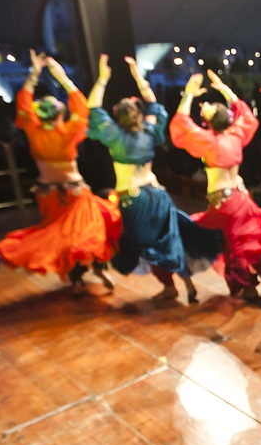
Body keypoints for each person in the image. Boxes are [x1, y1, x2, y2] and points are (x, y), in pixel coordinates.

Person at [87, 55, 220, 302]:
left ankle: (169, 286)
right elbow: (153, 103)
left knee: (145, 246)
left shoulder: (115, 137)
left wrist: (103, 79)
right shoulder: (148, 131)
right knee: (170, 240)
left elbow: (93, 109)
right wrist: (138, 75)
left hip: (134, 200)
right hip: (158, 195)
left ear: (118, 118)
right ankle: (186, 283)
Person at [0, 51, 121, 293]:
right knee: (91, 233)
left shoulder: (33, 130)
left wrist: (34, 73)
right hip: (74, 194)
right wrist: (61, 76)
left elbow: (22, 102)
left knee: (62, 239)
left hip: (48, 195)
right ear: (60, 114)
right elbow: (82, 107)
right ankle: (97, 271)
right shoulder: (68, 131)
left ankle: (79, 279)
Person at [169, 70, 261, 298]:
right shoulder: (236, 134)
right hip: (240, 197)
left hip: (224, 203)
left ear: (208, 122)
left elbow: (182, 125)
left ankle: (247, 288)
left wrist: (187, 95)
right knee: (249, 240)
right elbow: (245, 114)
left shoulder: (209, 141)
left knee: (232, 246)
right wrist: (226, 89)